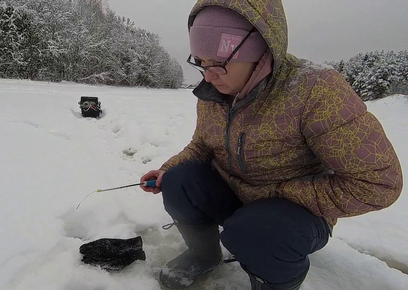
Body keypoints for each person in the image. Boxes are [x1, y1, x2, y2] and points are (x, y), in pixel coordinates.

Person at [139, 1, 403, 290]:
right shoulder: (214, 92)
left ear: (258, 49)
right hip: (238, 199)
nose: (208, 75)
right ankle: (204, 255)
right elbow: (202, 145)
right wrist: (167, 169)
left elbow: (378, 184)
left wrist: (279, 192)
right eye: (200, 62)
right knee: (179, 181)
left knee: (254, 231)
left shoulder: (315, 90)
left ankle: (275, 282)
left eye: (218, 63)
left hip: (290, 214)